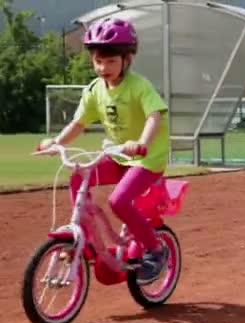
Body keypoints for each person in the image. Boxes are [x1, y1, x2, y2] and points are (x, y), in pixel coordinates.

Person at [38, 18, 169, 285]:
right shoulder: (95, 91)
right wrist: (57, 142)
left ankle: (156, 250)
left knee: (119, 201)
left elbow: (154, 116)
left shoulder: (138, 86)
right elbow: (79, 123)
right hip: (120, 155)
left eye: (110, 61)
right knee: (78, 176)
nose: (103, 67)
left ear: (127, 59)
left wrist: (141, 141)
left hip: (146, 158)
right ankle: (84, 235)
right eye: (98, 61)